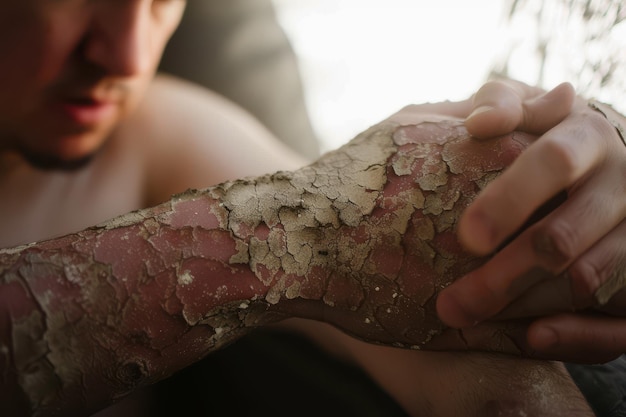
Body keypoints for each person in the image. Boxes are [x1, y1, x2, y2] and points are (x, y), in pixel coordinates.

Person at [0, 1, 623, 416]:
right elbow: (313, 236)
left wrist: (554, 169)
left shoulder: (158, 135)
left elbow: (475, 381)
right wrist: (309, 239)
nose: (129, 57)